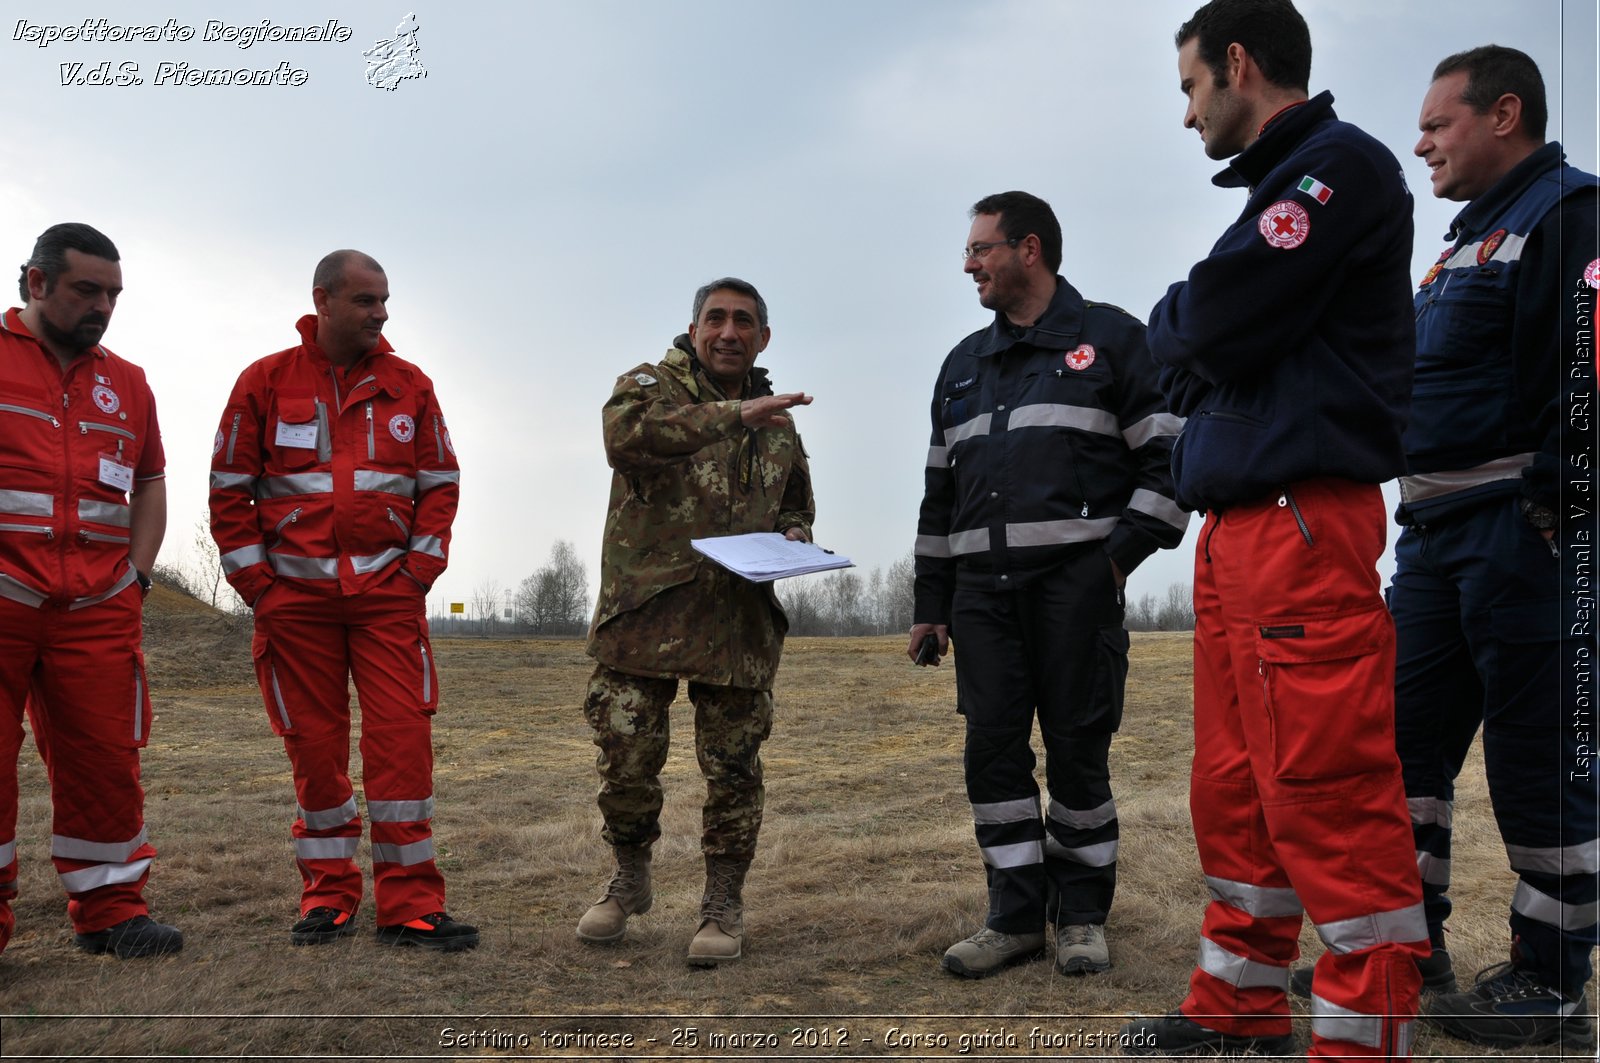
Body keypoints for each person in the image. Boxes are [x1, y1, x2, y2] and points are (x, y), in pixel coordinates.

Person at [1121, 1, 1429, 1056]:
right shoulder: (1282, 190)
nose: (1185, 114)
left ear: (1238, 64)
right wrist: (1194, 328)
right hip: (1241, 531)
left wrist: (1183, 323)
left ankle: (1360, 1036)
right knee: (1236, 788)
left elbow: (1201, 321)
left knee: (1324, 787)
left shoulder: (1335, 169)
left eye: (1189, 88)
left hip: (1299, 523)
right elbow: (1205, 330)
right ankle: (1241, 1002)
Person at [909, 191, 1187, 980]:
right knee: (992, 756)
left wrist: (1115, 558)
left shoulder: (1114, 341)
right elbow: (938, 497)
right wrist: (932, 605)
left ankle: (1084, 916)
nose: (969, 264)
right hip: (981, 601)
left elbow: (1168, 463)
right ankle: (1014, 917)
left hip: (1076, 593)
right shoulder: (962, 365)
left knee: (1078, 755)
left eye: (980, 249)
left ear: (1029, 249)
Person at [1386, 46, 1595, 1052]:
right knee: (1400, 752)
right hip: (1428, 543)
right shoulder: (1460, 242)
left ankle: (1548, 984)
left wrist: (1564, 497)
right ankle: (1401, 944)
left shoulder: (1571, 212)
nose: (1418, 142)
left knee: (1537, 764)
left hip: (1521, 536)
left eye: (1437, 124)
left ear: (1503, 113)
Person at [208, 250, 476, 951]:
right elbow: (229, 489)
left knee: (401, 751)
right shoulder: (264, 382)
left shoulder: (409, 385)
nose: (380, 313)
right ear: (322, 300)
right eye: (365, 301)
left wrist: (419, 570)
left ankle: (411, 905)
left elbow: (441, 481)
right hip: (295, 605)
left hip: (388, 601)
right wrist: (259, 586)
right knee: (316, 753)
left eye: (384, 301)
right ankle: (328, 896)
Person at [578, 277, 814, 967]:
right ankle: (629, 876)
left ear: (763, 337)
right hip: (643, 617)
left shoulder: (779, 424)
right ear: (693, 328)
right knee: (625, 758)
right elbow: (627, 439)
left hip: (735, 621)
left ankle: (722, 901)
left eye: (744, 321)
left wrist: (796, 535)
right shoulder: (649, 385)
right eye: (716, 318)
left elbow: (796, 503)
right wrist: (736, 415)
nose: (729, 332)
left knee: (734, 769)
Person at [0, 223, 181, 959]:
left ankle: (113, 910)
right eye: (87, 290)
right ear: (37, 282)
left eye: (112, 294)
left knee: (107, 760)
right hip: (5, 601)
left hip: (97, 611)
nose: (102, 305)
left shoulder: (129, 382)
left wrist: (135, 577)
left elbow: (149, 482)